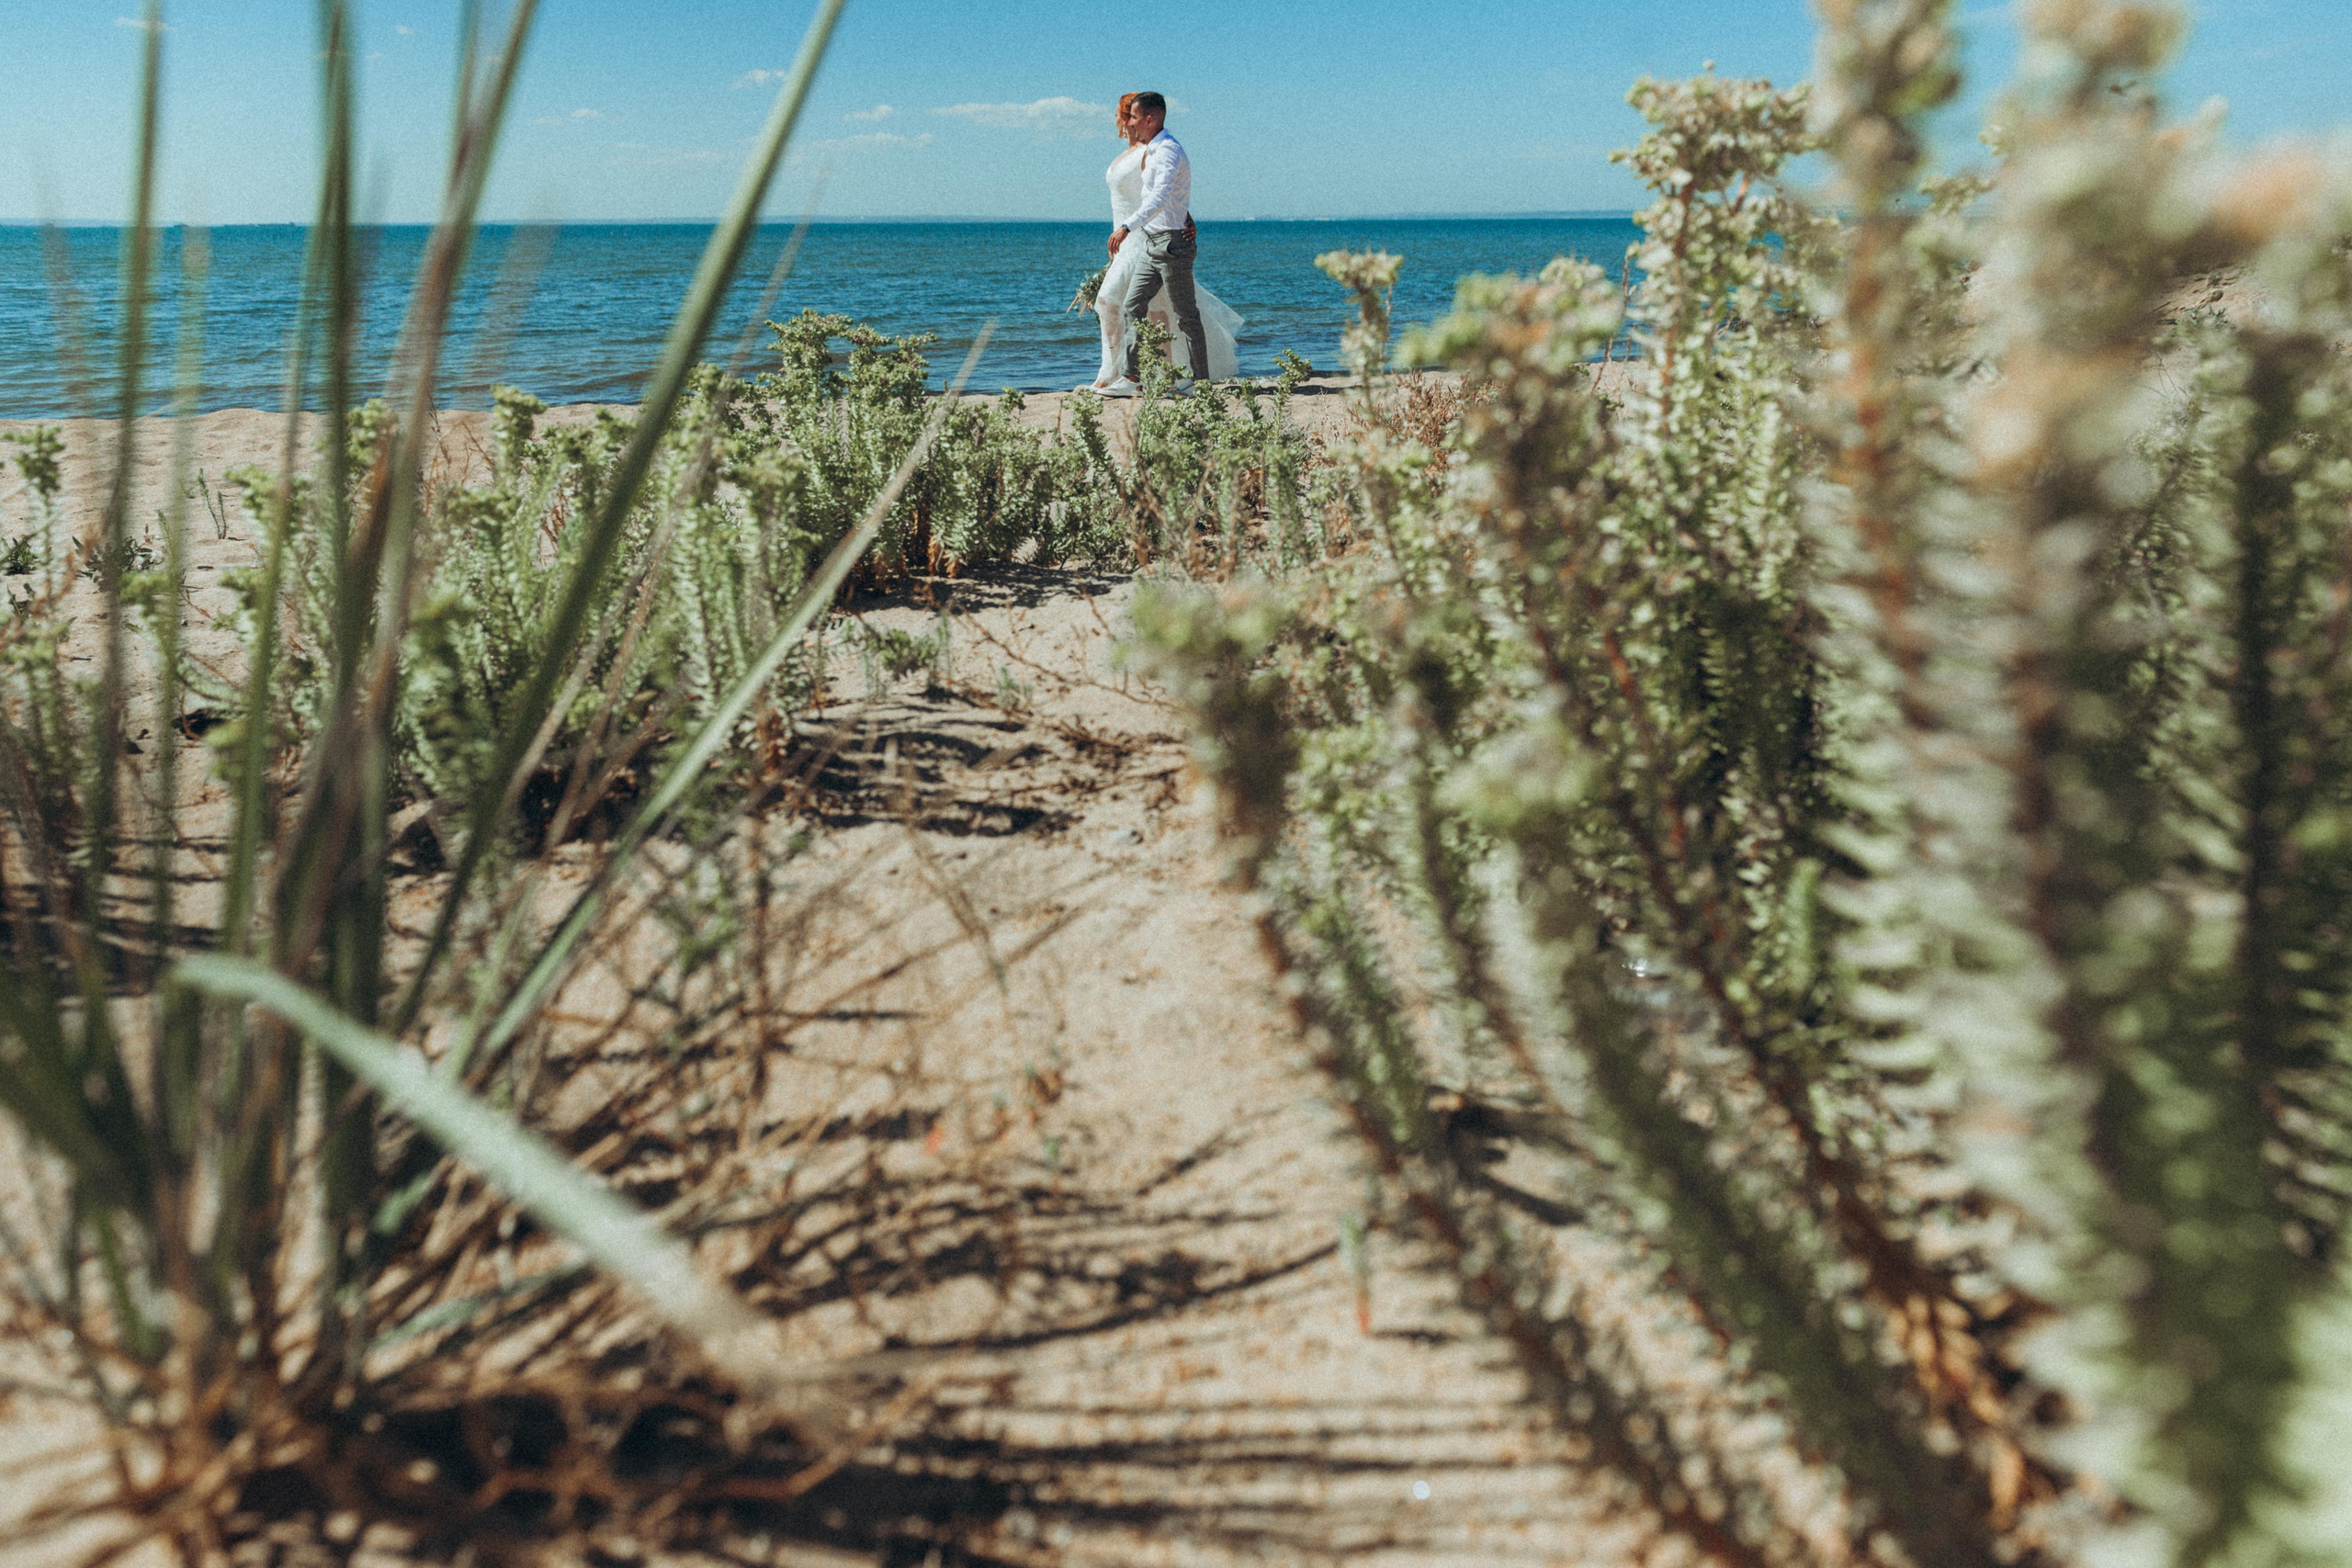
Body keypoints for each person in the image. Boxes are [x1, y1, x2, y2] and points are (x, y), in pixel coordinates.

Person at [1089, 92, 1240, 394]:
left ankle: (1200, 383)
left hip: (1169, 244)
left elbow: (1161, 196)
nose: (1128, 123)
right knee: (1133, 305)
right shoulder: (1152, 151)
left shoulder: (1168, 150)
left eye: (1133, 117)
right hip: (1150, 242)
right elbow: (1160, 196)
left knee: (1186, 316)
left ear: (1149, 119)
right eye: (1127, 116)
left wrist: (1126, 228)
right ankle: (1132, 378)